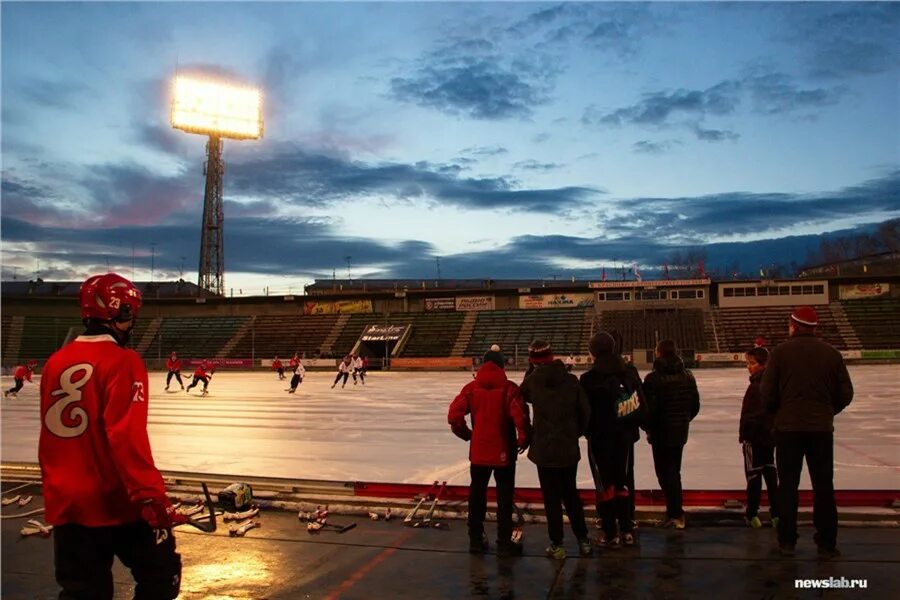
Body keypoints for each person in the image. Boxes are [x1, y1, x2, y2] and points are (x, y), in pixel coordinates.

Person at [39, 273, 184, 599]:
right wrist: (152, 498)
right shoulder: (124, 361)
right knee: (161, 576)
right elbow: (125, 436)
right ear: (121, 313)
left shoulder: (55, 363)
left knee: (82, 592)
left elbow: (51, 440)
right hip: (115, 502)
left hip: (67, 504)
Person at [760, 306, 853, 558]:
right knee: (824, 485)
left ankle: (787, 541)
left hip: (788, 430)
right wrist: (826, 411)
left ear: (794, 325)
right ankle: (826, 542)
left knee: (788, 485)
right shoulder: (832, 354)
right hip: (820, 430)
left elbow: (766, 394)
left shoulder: (779, 353)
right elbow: (846, 393)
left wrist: (780, 413)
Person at [448, 347, 531, 557]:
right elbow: (520, 418)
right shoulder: (510, 389)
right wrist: (523, 439)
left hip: (479, 453)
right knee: (504, 497)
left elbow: (454, 416)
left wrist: (467, 435)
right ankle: (504, 541)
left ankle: (475, 540)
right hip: (504, 451)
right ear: (503, 366)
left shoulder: (470, 388)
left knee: (477, 494)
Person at [519, 339, 592, 560]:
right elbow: (586, 413)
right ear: (552, 356)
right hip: (568, 448)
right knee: (571, 495)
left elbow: (522, 396)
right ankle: (584, 541)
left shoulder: (533, 381)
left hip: (544, 450)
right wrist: (574, 433)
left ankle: (557, 545)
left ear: (532, 360)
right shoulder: (571, 380)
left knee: (551, 498)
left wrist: (531, 371)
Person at [580, 331, 647, 547]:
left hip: (600, 439)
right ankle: (626, 527)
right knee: (623, 481)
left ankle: (610, 532)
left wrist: (586, 430)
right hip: (625, 437)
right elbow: (642, 405)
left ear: (593, 353)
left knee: (605, 485)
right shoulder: (629, 373)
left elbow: (584, 413)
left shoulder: (589, 379)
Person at [642, 339, 700, 529]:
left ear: (658, 353)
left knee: (666, 473)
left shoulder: (653, 379)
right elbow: (695, 405)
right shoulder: (688, 376)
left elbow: (648, 410)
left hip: (661, 434)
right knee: (674, 471)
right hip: (680, 431)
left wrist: (649, 428)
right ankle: (674, 511)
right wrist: (683, 419)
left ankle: (675, 514)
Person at [740, 347, 779, 529]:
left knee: (754, 475)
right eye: (748, 363)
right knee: (770, 473)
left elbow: (749, 415)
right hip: (769, 438)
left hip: (754, 439)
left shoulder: (756, 387)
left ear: (763, 365)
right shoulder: (774, 385)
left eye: (752, 363)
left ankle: (752, 514)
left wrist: (744, 436)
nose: (749, 367)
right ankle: (776, 514)